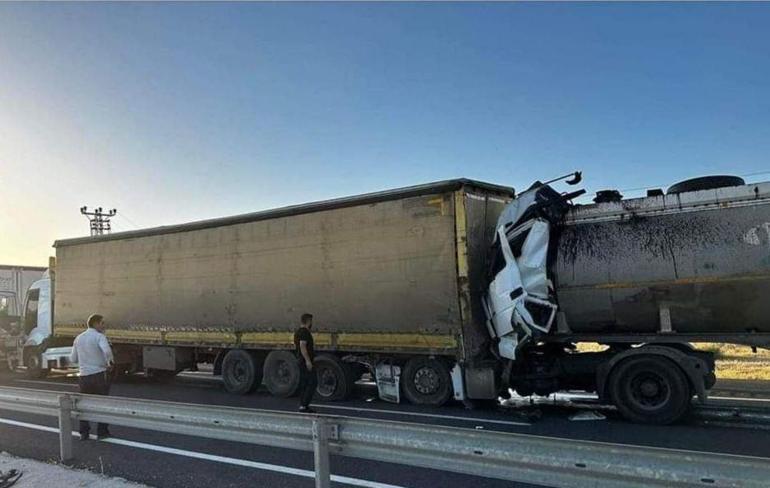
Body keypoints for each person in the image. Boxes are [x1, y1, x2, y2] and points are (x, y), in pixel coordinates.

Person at [69, 313, 114, 440]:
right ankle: (102, 432)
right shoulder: (100, 337)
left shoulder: (78, 338)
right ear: (95, 324)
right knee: (102, 403)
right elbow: (107, 351)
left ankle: (84, 433)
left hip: (83, 376)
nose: (104, 325)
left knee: (83, 405)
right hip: (99, 375)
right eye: (102, 323)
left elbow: (73, 358)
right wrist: (110, 363)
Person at [294, 313, 317, 413]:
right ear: (308, 321)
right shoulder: (304, 332)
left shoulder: (298, 332)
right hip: (305, 361)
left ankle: (303, 405)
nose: (312, 323)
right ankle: (304, 405)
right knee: (312, 382)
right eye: (311, 321)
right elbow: (303, 346)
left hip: (300, 360)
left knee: (304, 383)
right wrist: (308, 361)